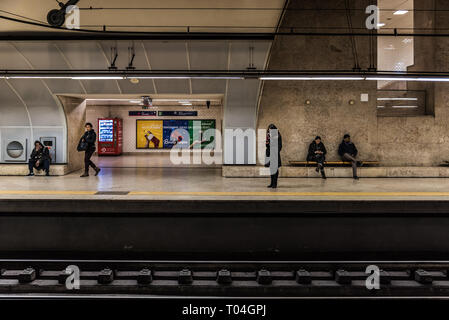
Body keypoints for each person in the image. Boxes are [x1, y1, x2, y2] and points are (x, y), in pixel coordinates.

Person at [265, 124, 282, 188]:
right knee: (271, 170)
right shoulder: (269, 136)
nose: (269, 131)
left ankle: (275, 184)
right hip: (270, 154)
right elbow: (267, 146)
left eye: (271, 130)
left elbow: (280, 146)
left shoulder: (278, 136)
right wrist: (267, 144)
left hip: (275, 154)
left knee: (275, 169)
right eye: (269, 130)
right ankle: (272, 183)